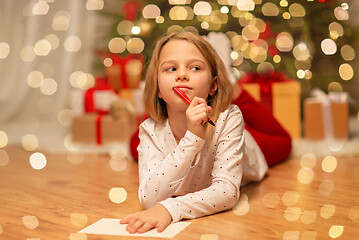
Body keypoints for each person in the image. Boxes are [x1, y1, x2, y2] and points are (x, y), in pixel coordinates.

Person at [120, 31, 272, 234]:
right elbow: (149, 198)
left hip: (249, 152)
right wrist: (192, 138)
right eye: (171, 68)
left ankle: (230, 80)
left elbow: (227, 191)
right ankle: (215, 68)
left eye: (195, 68)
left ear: (213, 86)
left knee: (284, 141)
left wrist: (170, 208)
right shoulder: (149, 130)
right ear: (158, 89)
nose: (182, 75)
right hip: (195, 150)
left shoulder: (230, 118)